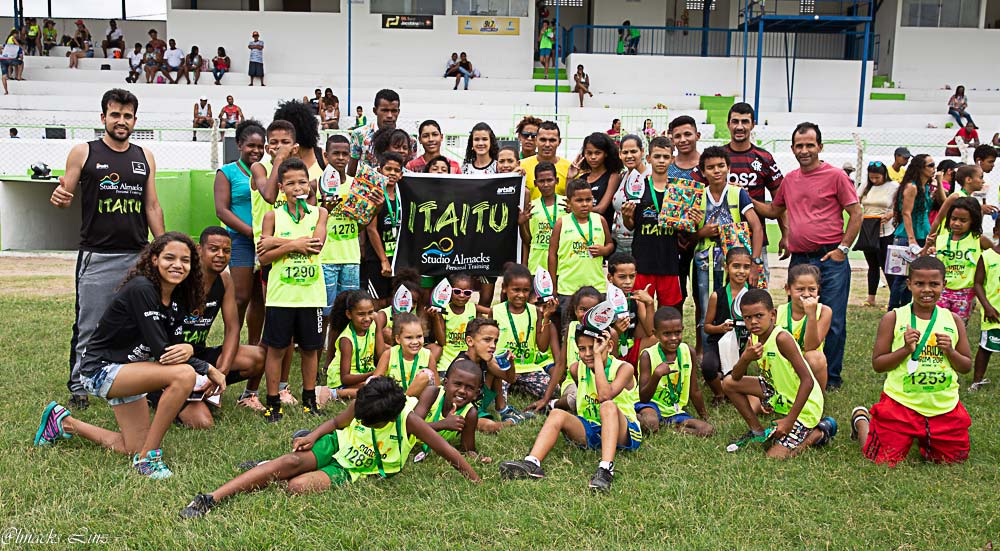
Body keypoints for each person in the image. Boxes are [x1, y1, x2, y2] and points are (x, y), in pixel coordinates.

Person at [34, 233, 226, 479]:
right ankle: (149, 458)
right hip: (100, 370)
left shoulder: (178, 296)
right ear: (154, 259)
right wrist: (208, 368)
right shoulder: (142, 288)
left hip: (131, 370)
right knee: (184, 375)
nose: (177, 265)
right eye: (169, 258)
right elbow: (163, 351)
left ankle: (63, 422)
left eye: (185, 260)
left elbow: (175, 345)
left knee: (132, 446)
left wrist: (187, 349)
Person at [177, 377, 480, 519]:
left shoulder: (408, 420)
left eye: (368, 422)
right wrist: (314, 435)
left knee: (296, 487)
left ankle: (264, 469)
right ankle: (210, 499)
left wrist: (475, 480)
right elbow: (337, 422)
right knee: (291, 461)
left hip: (353, 468)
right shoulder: (365, 402)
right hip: (338, 443)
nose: (361, 419)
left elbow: (448, 451)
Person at [50, 89, 165, 411]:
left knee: (141, 322)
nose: (121, 121)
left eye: (127, 116)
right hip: (98, 256)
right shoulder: (83, 152)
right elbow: (64, 194)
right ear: (103, 117)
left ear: (135, 120)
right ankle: (79, 386)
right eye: (115, 115)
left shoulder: (145, 156)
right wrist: (60, 197)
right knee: (89, 323)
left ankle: (136, 379)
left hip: (139, 256)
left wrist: (162, 246)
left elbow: (152, 205)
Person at [753, 122, 862, 391]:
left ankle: (831, 377)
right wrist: (742, 197)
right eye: (799, 146)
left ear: (820, 147)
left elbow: (856, 213)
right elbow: (773, 210)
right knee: (797, 318)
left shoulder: (836, 176)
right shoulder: (790, 180)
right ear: (792, 149)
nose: (804, 151)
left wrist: (843, 249)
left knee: (832, 319)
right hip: (800, 261)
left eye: (809, 145)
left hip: (830, 259)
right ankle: (797, 371)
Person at [850, 256, 971, 466]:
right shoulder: (894, 318)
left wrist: (950, 351)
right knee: (881, 459)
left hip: (943, 406)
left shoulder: (953, 320)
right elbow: (878, 365)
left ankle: (925, 435)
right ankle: (862, 420)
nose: (927, 290)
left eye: (934, 284)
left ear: (944, 284)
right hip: (901, 405)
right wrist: (905, 349)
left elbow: (966, 366)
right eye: (919, 284)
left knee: (953, 460)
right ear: (909, 284)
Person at [499, 316, 642, 492]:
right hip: (592, 428)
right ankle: (532, 463)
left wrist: (598, 358)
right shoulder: (576, 368)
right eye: (582, 349)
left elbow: (605, 396)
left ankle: (606, 469)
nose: (588, 353)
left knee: (608, 406)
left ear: (609, 346)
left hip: (623, 432)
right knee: (557, 414)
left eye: (593, 347)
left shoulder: (624, 368)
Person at [147, 227, 267, 423]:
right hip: (168, 362)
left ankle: (210, 389)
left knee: (258, 357)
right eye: (213, 249)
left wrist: (221, 372)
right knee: (202, 422)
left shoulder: (225, 279)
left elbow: (232, 329)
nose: (220, 255)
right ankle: (155, 393)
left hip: (198, 356)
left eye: (226, 251)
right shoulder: (179, 278)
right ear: (199, 249)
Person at [258, 158, 329, 422]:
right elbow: (264, 257)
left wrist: (276, 243)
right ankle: (273, 402)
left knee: (310, 349)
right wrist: (292, 245)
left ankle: (309, 400)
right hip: (281, 296)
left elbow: (315, 246)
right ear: (281, 187)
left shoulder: (320, 213)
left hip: (311, 296)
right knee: (276, 349)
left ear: (309, 185)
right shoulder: (272, 216)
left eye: (302, 182)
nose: (297, 188)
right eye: (290, 183)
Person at [722, 289, 832, 458]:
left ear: (772, 315)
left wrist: (789, 421)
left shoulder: (781, 339)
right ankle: (757, 431)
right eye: (748, 318)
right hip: (778, 392)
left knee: (774, 456)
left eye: (759, 316)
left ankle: (819, 432)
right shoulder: (755, 337)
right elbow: (735, 378)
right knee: (728, 383)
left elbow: (808, 381)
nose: (753, 322)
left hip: (805, 406)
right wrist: (745, 358)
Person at [692, 146, 764, 347]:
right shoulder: (697, 195)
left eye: (721, 166)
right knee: (706, 308)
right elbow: (688, 236)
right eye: (710, 167)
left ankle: (740, 352)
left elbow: (757, 227)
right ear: (703, 171)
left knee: (737, 307)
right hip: (705, 262)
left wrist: (755, 263)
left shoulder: (737, 193)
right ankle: (709, 354)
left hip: (734, 261)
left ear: (728, 167)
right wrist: (702, 232)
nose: (716, 171)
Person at [213, 119, 265, 341]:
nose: (256, 151)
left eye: (260, 146)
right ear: (239, 145)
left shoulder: (266, 171)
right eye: (251, 145)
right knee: (241, 296)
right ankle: (231, 343)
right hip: (241, 240)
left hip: (265, 241)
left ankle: (254, 345)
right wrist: (250, 232)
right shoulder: (227, 172)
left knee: (260, 298)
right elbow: (222, 211)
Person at [723, 103, 785, 280]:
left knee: (757, 289)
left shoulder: (764, 158)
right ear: (728, 124)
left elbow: (780, 201)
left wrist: (786, 234)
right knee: (723, 290)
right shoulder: (718, 157)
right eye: (735, 121)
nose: (739, 126)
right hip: (722, 238)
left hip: (755, 239)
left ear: (753, 125)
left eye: (745, 121)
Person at [621, 136, 683, 310]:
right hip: (643, 260)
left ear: (672, 159)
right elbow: (631, 225)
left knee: (668, 312)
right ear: (648, 158)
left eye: (666, 157)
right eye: (657, 156)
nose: (661, 161)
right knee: (641, 311)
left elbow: (684, 228)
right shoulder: (638, 187)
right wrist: (626, 217)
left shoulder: (678, 190)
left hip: (669, 261)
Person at [317, 134, 362, 372]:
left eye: (345, 153)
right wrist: (325, 207)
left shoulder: (356, 185)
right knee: (325, 312)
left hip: (351, 257)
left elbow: (363, 222)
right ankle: (319, 358)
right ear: (326, 155)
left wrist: (372, 207)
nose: (341, 158)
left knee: (348, 312)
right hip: (326, 257)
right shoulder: (315, 184)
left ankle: (337, 360)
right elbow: (312, 220)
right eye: (336, 153)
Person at [491, 264, 558, 420]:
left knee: (554, 389)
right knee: (494, 393)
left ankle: (519, 387)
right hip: (503, 369)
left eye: (525, 290)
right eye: (516, 290)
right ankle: (510, 392)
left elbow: (542, 346)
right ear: (505, 288)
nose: (521, 295)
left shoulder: (535, 312)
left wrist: (546, 317)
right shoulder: (496, 311)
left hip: (528, 368)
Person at [636, 306, 712, 435]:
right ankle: (636, 417)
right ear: (655, 334)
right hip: (651, 405)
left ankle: (672, 428)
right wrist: (656, 375)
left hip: (674, 410)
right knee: (650, 424)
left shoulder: (688, 352)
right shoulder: (647, 355)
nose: (673, 338)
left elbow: (694, 390)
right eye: (666, 334)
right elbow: (643, 398)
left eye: (677, 332)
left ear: (682, 329)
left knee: (707, 429)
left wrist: (704, 416)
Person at [549, 178, 614, 303]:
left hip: (596, 287)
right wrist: (553, 285)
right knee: (568, 316)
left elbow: (610, 244)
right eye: (579, 200)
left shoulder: (600, 220)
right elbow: (552, 254)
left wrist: (604, 250)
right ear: (569, 202)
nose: (585, 204)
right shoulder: (561, 223)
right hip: (568, 288)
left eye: (588, 200)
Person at [886, 153, 937, 310]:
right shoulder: (912, 187)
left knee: (915, 275)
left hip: (922, 234)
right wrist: (911, 239)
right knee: (902, 278)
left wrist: (939, 184)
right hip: (908, 236)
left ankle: (907, 308)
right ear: (920, 168)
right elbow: (906, 213)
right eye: (930, 165)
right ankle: (893, 309)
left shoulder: (925, 187)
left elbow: (938, 205)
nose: (934, 168)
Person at [928, 198, 991, 324]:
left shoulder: (978, 240)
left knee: (958, 326)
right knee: (938, 323)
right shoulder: (940, 239)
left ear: (973, 221)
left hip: (965, 293)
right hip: (942, 290)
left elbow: (995, 255)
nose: (957, 223)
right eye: (954, 218)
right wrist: (930, 249)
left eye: (963, 220)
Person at [412, 359, 489, 462]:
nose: (462, 391)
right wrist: (443, 424)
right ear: (445, 383)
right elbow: (411, 428)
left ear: (476, 393)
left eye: (469, 388)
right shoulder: (432, 393)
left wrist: (478, 459)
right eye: (457, 384)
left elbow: (467, 449)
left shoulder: (470, 413)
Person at [778, 264, 833, 390]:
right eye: (800, 289)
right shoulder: (779, 312)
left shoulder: (824, 311)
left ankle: (817, 396)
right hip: (785, 364)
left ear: (818, 289)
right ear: (788, 289)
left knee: (815, 357)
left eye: (812, 289)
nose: (807, 294)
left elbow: (810, 346)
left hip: (809, 365)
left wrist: (811, 315)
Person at [362, 152, 404, 302]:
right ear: (380, 171)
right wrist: (383, 260)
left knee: (396, 300)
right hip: (377, 259)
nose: (392, 173)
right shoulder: (374, 195)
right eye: (388, 169)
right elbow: (371, 229)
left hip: (398, 259)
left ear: (401, 175)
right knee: (378, 302)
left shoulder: (402, 196)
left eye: (396, 170)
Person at [856, 161, 899, 308]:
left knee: (887, 266)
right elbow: (856, 201)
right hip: (868, 230)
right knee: (872, 265)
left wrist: (891, 214)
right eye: (871, 177)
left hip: (885, 231)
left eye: (877, 178)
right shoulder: (866, 186)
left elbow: (900, 206)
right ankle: (871, 298)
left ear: (884, 175)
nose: (874, 180)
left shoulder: (893, 187)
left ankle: (893, 300)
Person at [568, 132, 623, 231]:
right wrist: (570, 177)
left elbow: (601, 208)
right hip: (580, 231)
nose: (593, 157)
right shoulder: (582, 178)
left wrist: (577, 209)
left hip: (600, 231)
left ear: (606, 153)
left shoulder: (613, 176)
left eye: (597, 153)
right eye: (589, 153)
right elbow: (569, 201)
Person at [373, 313, 436, 397]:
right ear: (398, 339)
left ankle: (405, 400)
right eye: (409, 337)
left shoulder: (428, 355)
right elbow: (373, 383)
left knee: (426, 375)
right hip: (393, 399)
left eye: (419, 336)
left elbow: (436, 387)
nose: (415, 342)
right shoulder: (389, 355)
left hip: (419, 402)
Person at [520, 162, 565, 272]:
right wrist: (521, 224)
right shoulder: (531, 207)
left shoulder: (566, 204)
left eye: (549, 180)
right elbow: (528, 240)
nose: (546, 184)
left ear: (557, 181)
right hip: (537, 264)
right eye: (541, 181)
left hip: (562, 262)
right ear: (535, 183)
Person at [348, 89, 404, 176]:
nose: (390, 115)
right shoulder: (359, 134)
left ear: (398, 112)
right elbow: (351, 172)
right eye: (385, 110)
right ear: (375, 111)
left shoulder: (406, 139)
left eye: (394, 111)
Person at [610, 135, 649, 256]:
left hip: (641, 245)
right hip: (619, 245)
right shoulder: (622, 176)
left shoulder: (650, 178)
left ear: (642, 152)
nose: (629, 156)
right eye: (625, 152)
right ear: (620, 154)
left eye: (633, 151)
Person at [972, 228, 1000, 391]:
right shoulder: (988, 256)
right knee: (986, 348)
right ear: (996, 231)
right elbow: (977, 283)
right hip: (994, 314)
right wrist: (987, 307)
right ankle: (977, 381)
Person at [521, 121, 571, 199]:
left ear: (559, 142)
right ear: (536, 140)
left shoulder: (569, 169)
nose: (547, 144)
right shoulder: (521, 167)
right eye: (543, 140)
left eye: (552, 140)